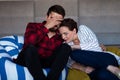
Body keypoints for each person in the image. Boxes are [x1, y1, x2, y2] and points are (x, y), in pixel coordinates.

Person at [13, 5, 71, 80]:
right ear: (47, 17)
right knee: (30, 48)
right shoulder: (33, 26)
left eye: (58, 20)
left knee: (66, 48)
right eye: (52, 18)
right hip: (29, 59)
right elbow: (29, 42)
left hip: (46, 61)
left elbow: (62, 56)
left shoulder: (61, 35)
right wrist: (46, 27)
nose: (55, 23)